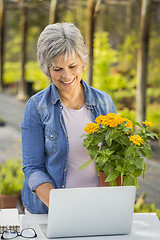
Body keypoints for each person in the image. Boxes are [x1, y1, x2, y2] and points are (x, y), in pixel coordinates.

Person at [21, 22, 117, 214]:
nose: (66, 76)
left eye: (72, 66)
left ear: (82, 62)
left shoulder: (104, 102)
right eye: (57, 69)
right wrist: (62, 209)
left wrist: (108, 204)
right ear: (47, 69)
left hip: (95, 208)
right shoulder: (37, 106)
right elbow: (33, 168)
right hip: (50, 212)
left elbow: (113, 160)